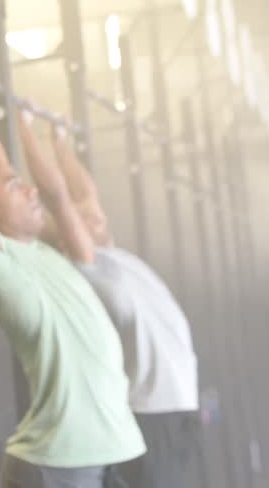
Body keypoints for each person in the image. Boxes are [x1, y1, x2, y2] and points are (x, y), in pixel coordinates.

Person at [0, 65, 147, 488]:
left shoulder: (49, 250)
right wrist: (24, 125)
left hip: (110, 450)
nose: (31, 192)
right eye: (19, 188)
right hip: (59, 460)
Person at [50, 128, 203, 488]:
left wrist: (60, 142)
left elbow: (85, 193)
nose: (96, 216)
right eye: (83, 218)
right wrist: (25, 128)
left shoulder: (116, 257)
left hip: (179, 403)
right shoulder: (91, 268)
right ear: (70, 234)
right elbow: (60, 200)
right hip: (150, 413)